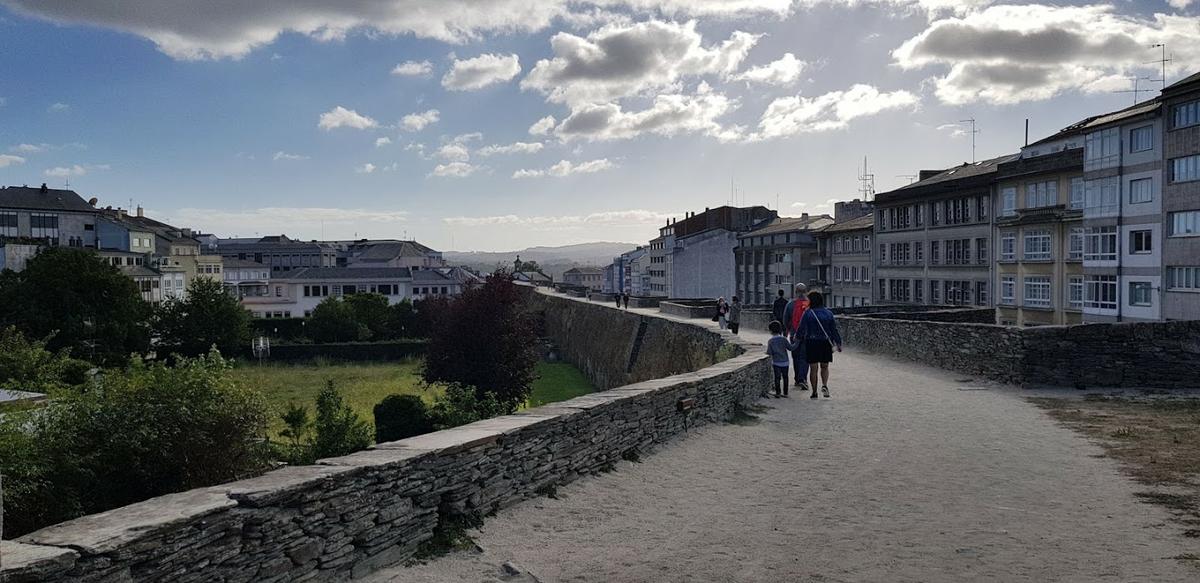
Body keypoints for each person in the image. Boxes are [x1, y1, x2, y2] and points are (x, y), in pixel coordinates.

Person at [796, 290, 842, 399]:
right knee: (824, 366)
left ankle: (814, 392)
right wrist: (838, 343)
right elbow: (833, 330)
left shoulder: (808, 313)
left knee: (813, 368)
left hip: (811, 342)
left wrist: (797, 337)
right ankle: (825, 385)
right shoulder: (828, 313)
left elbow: (801, 328)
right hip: (825, 342)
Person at [781, 283, 811, 390]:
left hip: (794, 335)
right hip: (807, 335)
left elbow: (785, 320)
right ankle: (803, 379)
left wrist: (789, 329)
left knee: (796, 357)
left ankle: (798, 379)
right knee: (805, 357)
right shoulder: (808, 304)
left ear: (796, 292)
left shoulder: (790, 304)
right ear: (806, 291)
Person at [765, 320, 802, 397]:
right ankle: (785, 393)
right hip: (785, 362)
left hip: (776, 363)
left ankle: (778, 392)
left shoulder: (770, 341)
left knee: (777, 378)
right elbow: (791, 348)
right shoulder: (783, 339)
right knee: (785, 377)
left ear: (770, 331)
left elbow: (769, 352)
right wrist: (797, 341)